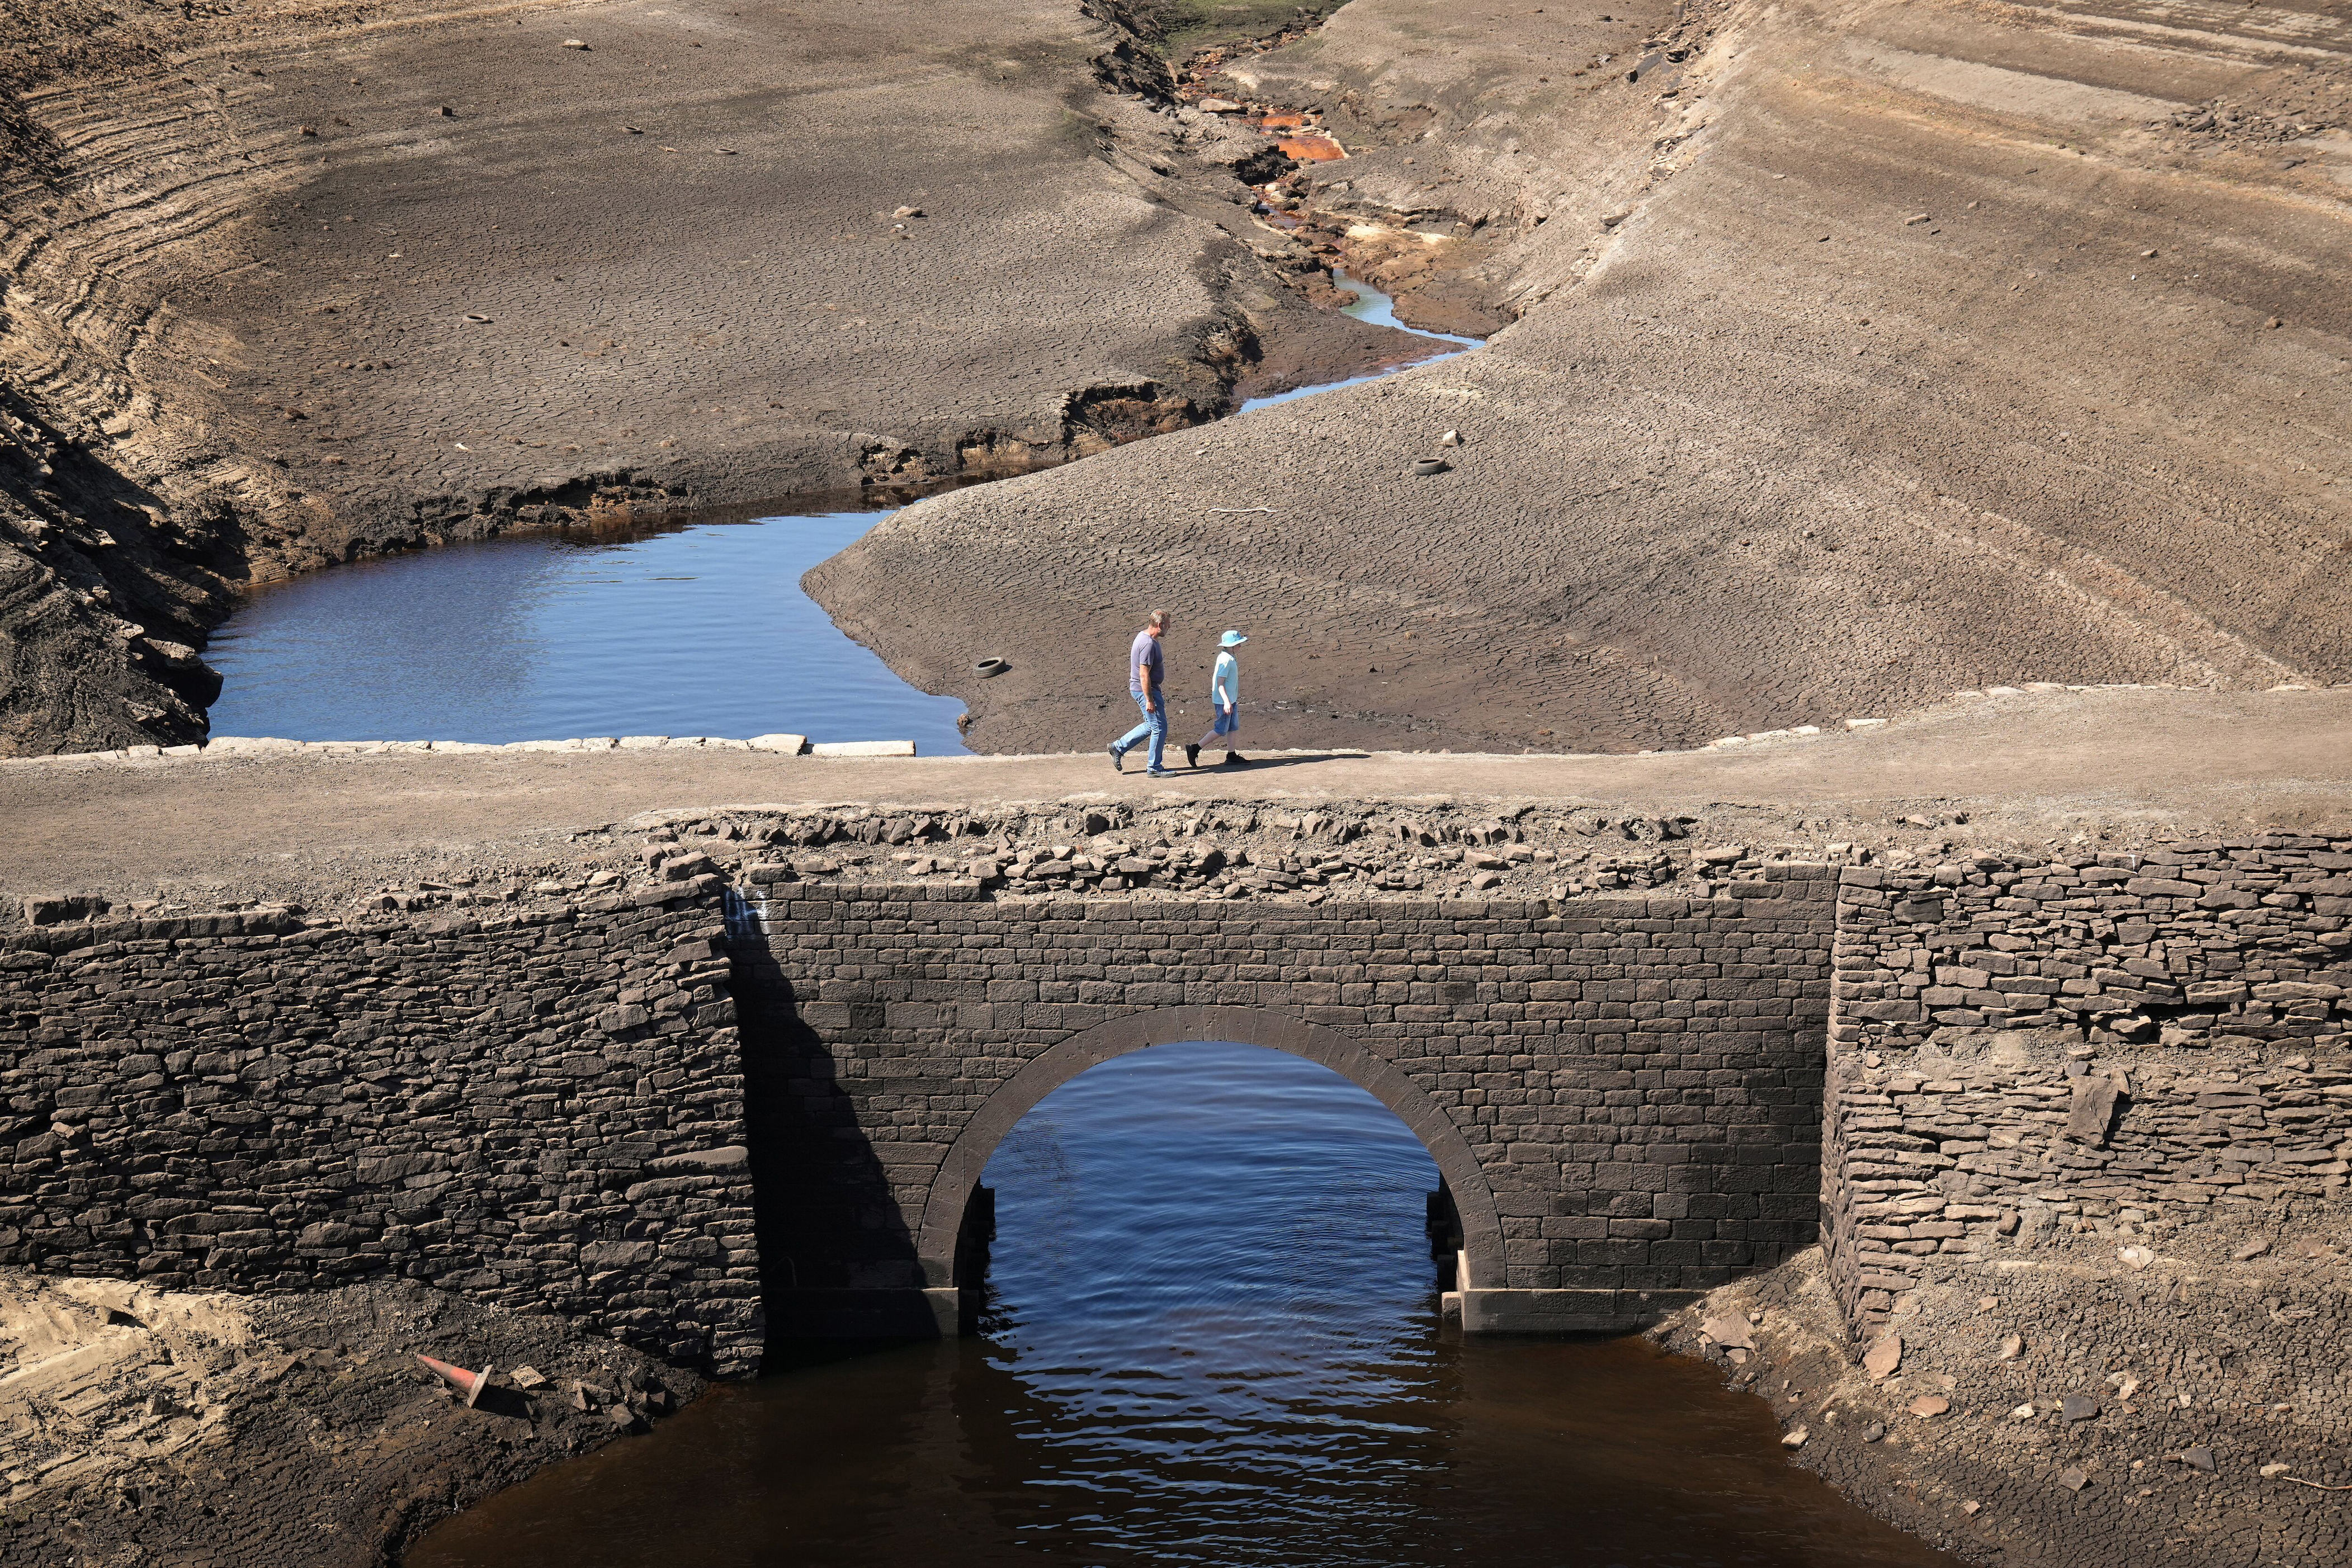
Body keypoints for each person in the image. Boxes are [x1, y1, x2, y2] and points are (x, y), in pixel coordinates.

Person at [1108, 609, 1173, 777]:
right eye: (1167, 625)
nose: (1169, 628)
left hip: (1145, 689)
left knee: (1151, 726)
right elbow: (1143, 675)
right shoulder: (1148, 644)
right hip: (1146, 690)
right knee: (1160, 728)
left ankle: (1118, 747)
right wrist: (1149, 700)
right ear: (1160, 625)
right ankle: (1154, 768)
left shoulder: (1145, 637)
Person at [1186, 629, 1249, 768]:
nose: (1240, 646)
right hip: (1224, 701)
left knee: (1233, 727)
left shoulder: (1229, 656)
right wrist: (1226, 702)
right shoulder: (1226, 660)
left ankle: (1231, 755)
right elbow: (1220, 683)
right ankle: (1195, 748)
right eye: (1238, 644)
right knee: (1221, 729)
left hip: (1230, 700)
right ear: (1230, 646)